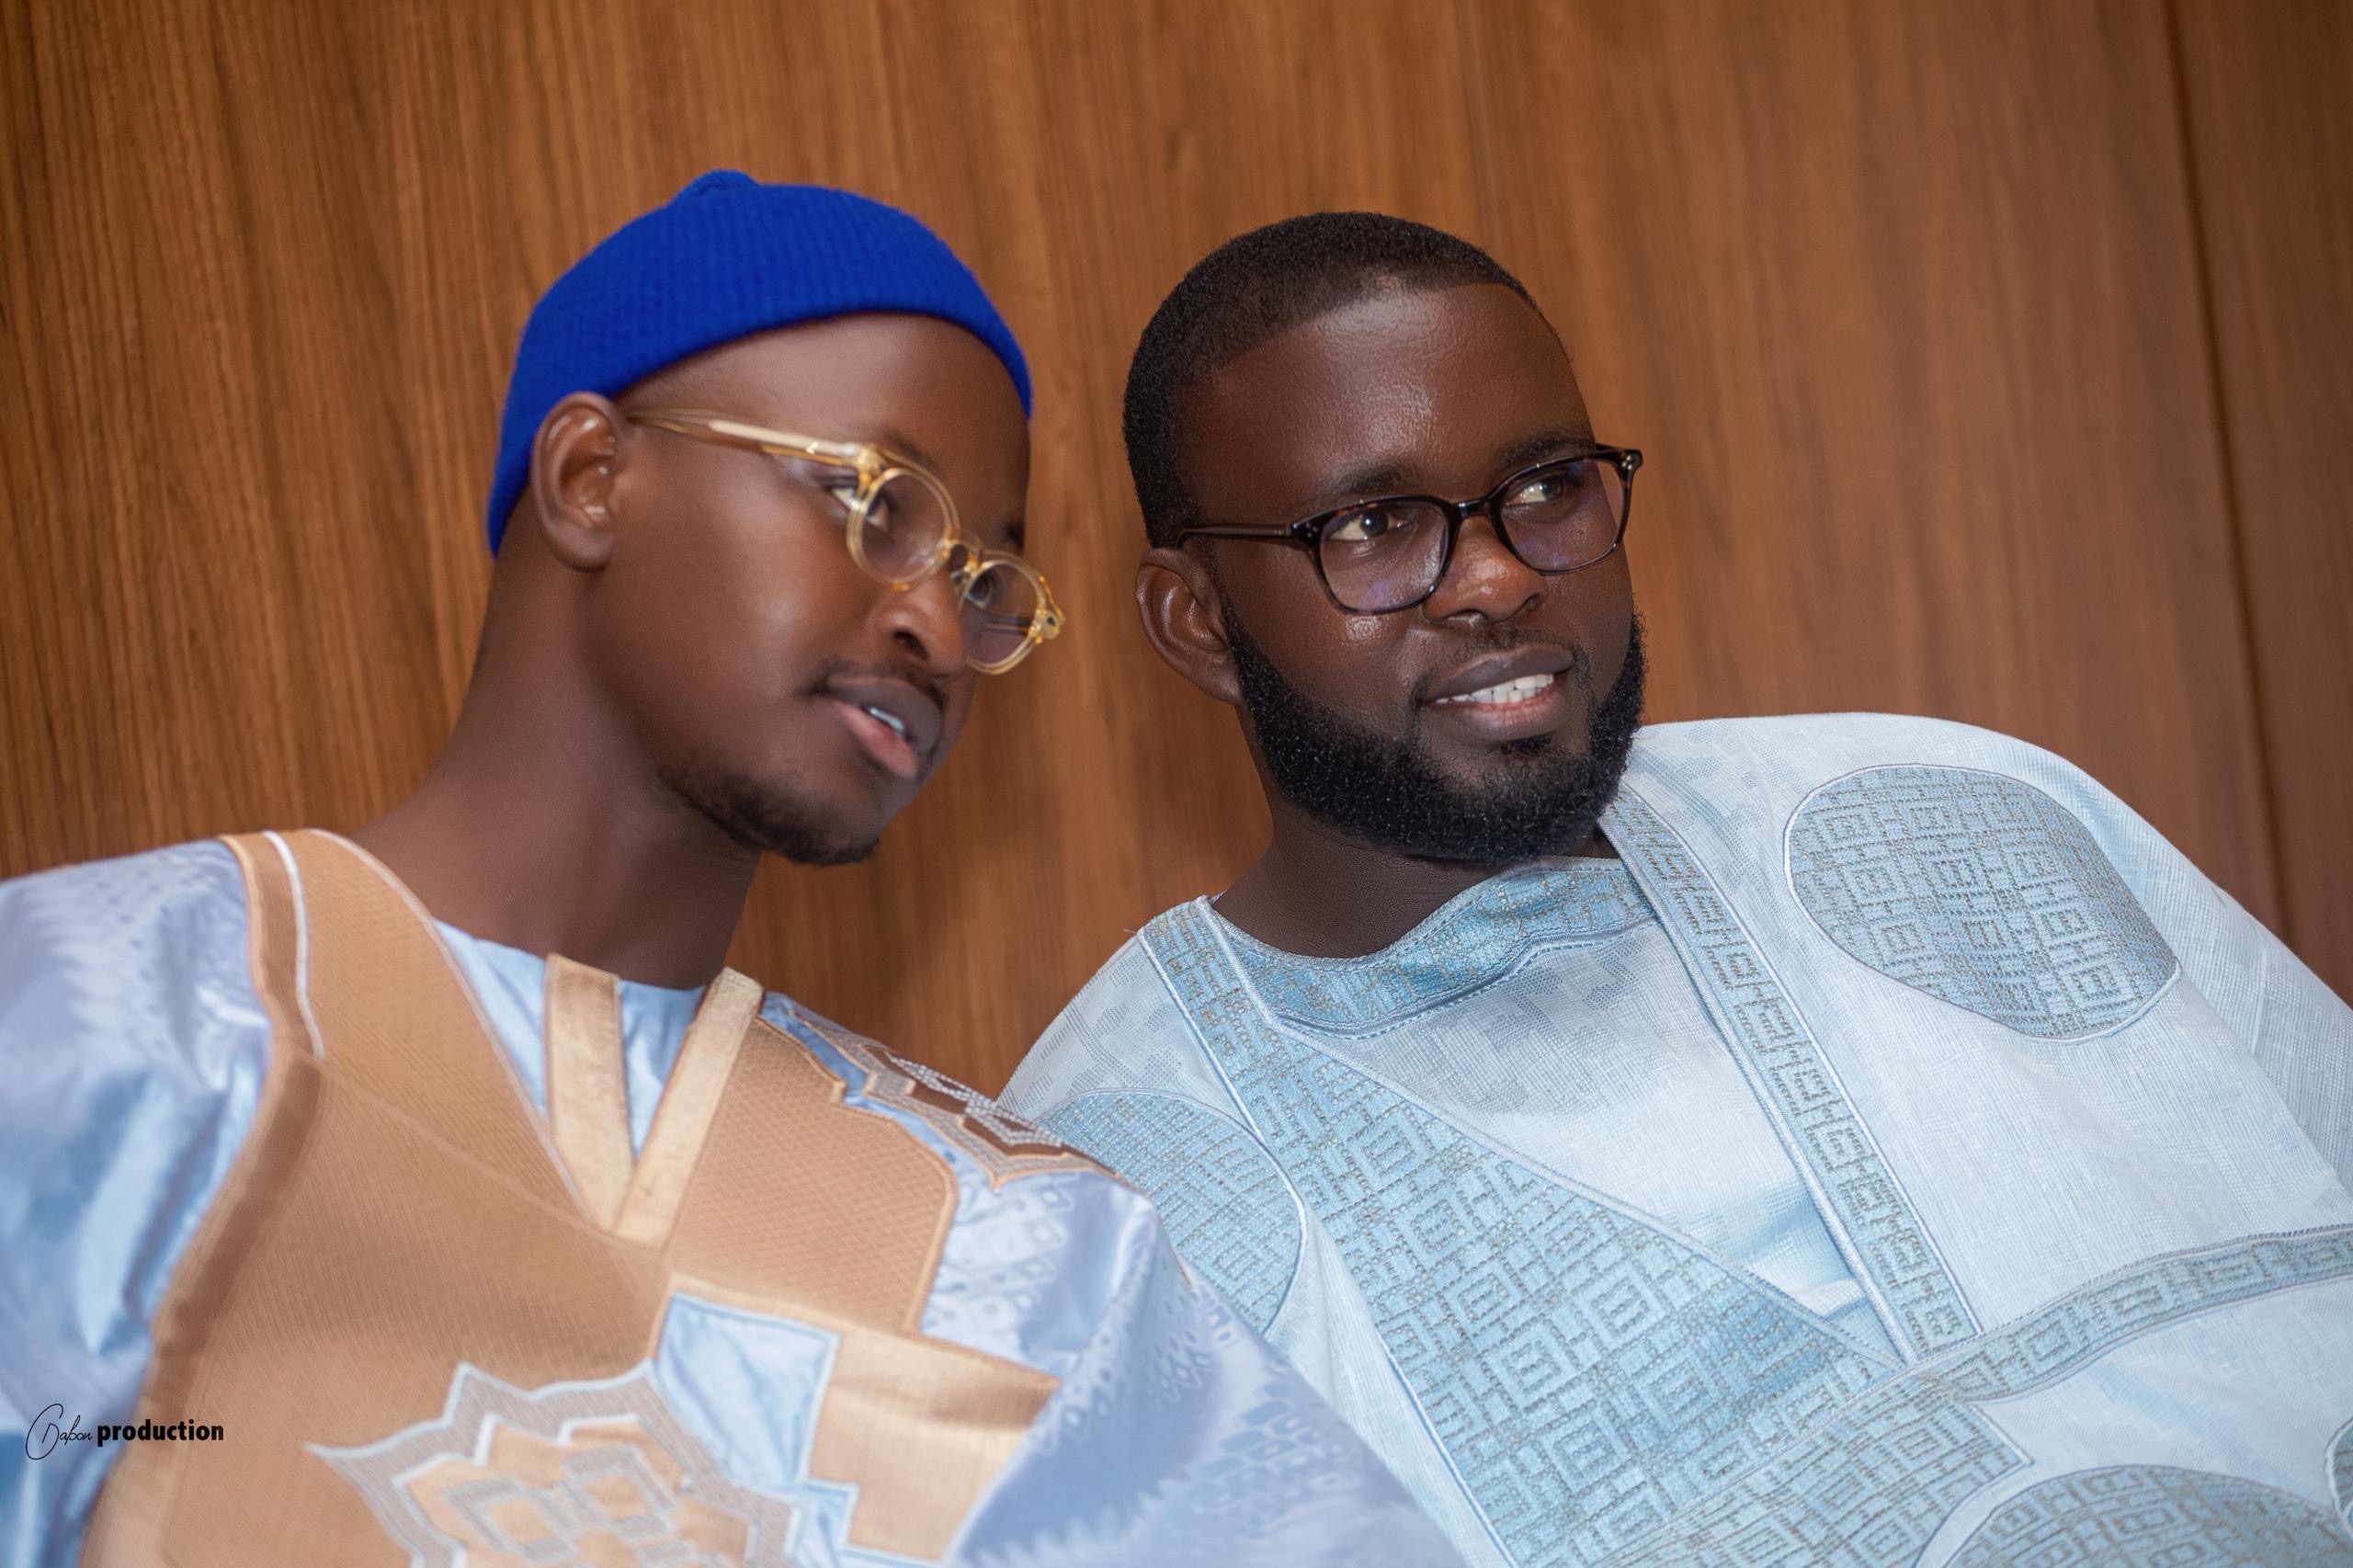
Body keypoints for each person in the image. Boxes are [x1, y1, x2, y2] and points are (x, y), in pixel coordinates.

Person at [0, 176, 1459, 1568]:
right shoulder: (97, 1023)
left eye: (980, 580)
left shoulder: (1031, 1254)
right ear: (591, 477)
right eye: (879, 504)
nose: (936, 629)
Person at [1002, 211, 2353, 1568]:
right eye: (1371, 526)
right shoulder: (1121, 1198)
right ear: (1197, 620)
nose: (1497, 577)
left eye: (1547, 488)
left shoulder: (1964, 817)